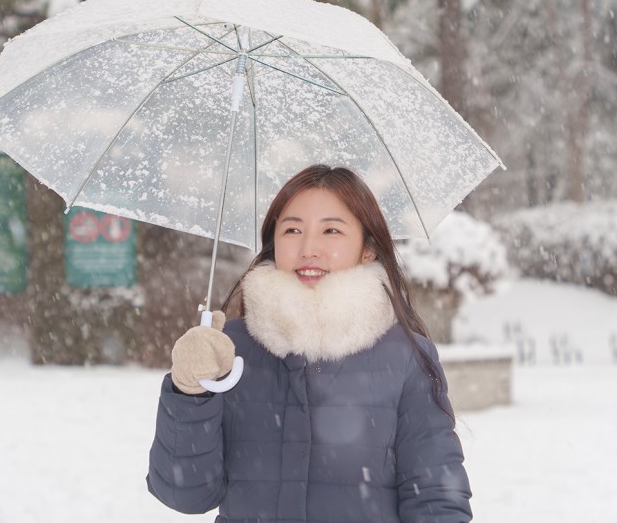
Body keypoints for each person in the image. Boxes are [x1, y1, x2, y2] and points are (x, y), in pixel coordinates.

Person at [147, 164, 473, 522]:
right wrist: (190, 393)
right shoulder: (230, 349)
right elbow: (185, 494)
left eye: (331, 230)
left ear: (367, 249)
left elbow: (437, 500)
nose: (308, 248)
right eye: (292, 229)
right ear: (274, 244)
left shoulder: (405, 357)